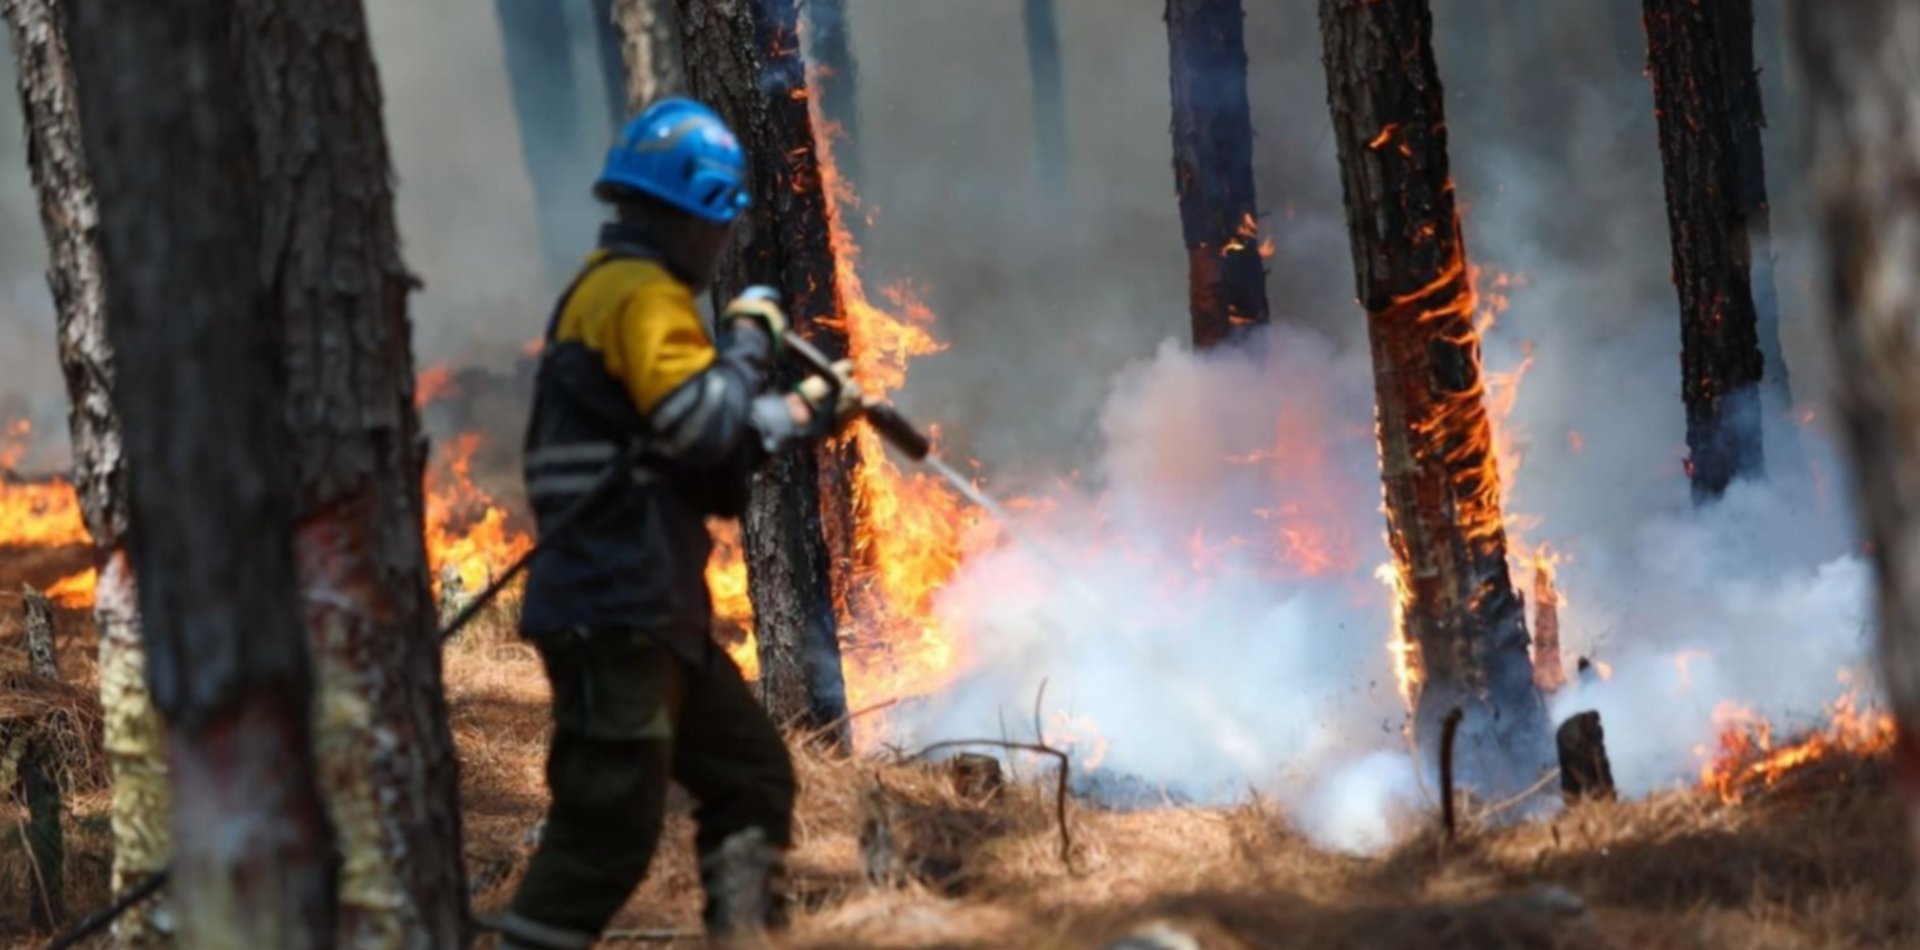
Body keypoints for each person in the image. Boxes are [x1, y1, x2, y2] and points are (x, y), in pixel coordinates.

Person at [497, 97, 863, 950]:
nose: (719, 245)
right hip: (612, 609)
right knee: (608, 829)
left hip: (652, 609)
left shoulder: (624, 296)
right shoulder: (639, 296)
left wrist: (803, 414)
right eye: (717, 225)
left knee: (749, 777)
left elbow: (703, 461)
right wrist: (746, 342)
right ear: (691, 214)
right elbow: (704, 427)